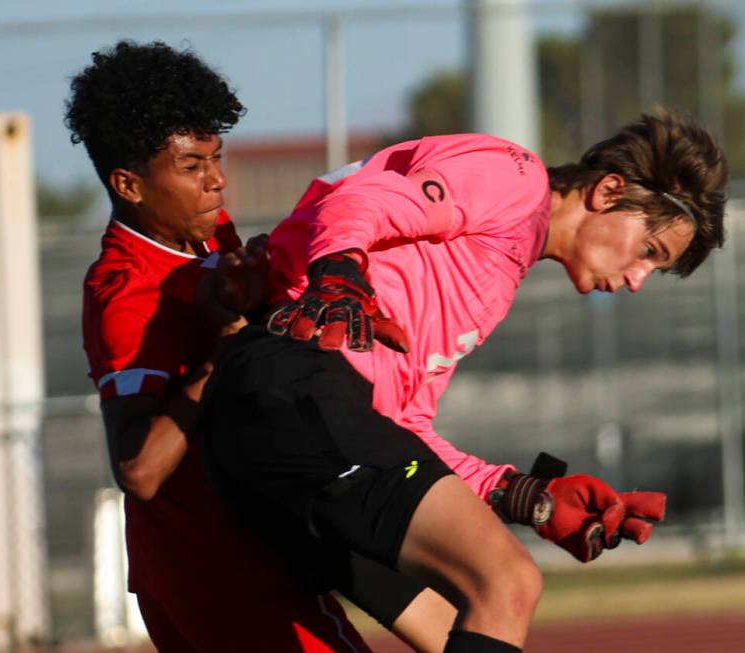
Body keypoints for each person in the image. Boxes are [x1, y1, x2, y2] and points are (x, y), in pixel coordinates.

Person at [200, 109, 727, 653]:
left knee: (446, 620)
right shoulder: (515, 178)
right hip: (293, 389)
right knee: (506, 583)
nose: (639, 279)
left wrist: (521, 494)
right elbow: (359, 202)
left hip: (294, 419)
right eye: (649, 251)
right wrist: (340, 277)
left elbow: (400, 427)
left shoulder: (494, 267)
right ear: (609, 190)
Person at [67, 39, 456, 653]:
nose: (217, 181)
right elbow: (140, 470)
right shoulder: (126, 293)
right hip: (215, 567)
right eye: (192, 167)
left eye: (217, 158)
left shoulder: (203, 234)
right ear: (129, 185)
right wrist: (225, 346)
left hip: (251, 539)